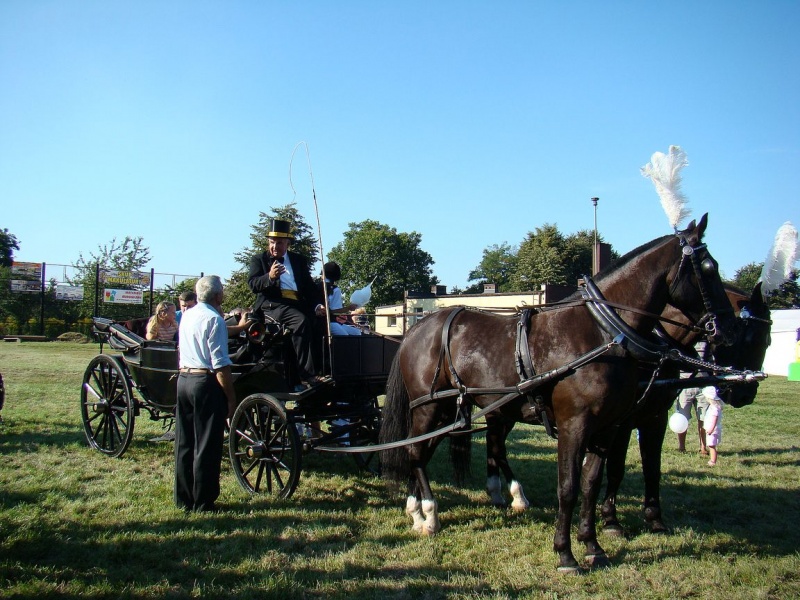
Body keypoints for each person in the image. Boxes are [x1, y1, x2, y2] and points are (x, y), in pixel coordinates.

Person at [174, 275, 237, 512]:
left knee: (185, 442)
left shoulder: (187, 316)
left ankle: (183, 499)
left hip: (183, 379)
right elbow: (220, 364)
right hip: (204, 381)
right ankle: (204, 502)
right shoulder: (215, 320)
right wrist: (231, 397)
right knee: (207, 445)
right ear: (218, 296)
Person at [247, 218, 325, 387]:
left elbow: (309, 288)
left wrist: (318, 305)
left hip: (297, 303)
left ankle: (323, 369)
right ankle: (307, 374)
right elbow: (253, 284)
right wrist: (269, 277)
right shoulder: (259, 260)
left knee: (322, 322)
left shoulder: (298, 261)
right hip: (272, 304)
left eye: (279, 243)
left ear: (288, 243)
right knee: (301, 321)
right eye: (272, 242)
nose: (275, 246)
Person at [320, 262, 362, 336]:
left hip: (320, 321)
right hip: (329, 322)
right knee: (345, 337)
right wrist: (349, 308)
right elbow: (334, 312)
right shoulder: (335, 290)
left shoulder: (316, 286)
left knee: (356, 332)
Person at [702, 386, 723, 466]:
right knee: (711, 445)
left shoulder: (715, 408)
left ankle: (713, 461)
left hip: (713, 430)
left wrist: (711, 429)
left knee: (711, 445)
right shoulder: (714, 407)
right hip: (711, 429)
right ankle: (712, 460)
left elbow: (714, 420)